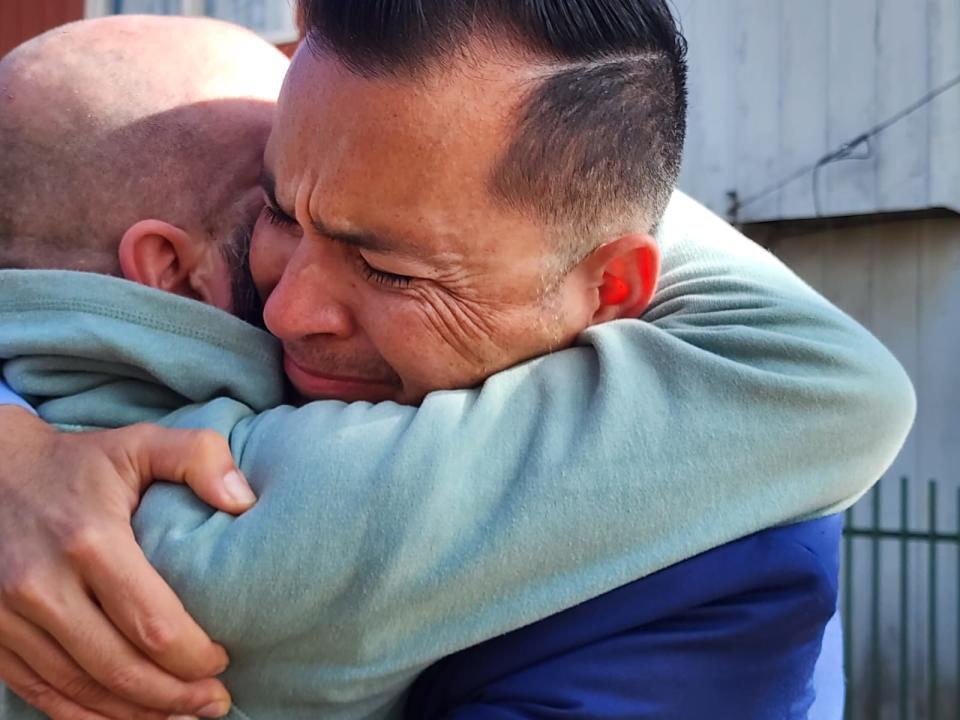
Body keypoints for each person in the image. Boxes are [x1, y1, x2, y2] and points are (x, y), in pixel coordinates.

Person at [0, 4, 913, 720]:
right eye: (277, 213)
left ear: (613, 285)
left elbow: (834, 386)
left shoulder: (714, 559)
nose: (288, 308)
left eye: (390, 267)